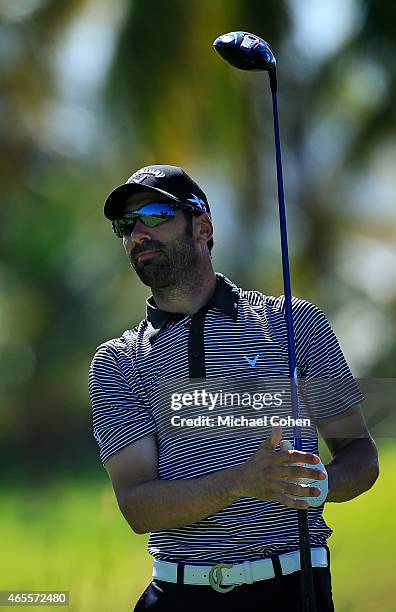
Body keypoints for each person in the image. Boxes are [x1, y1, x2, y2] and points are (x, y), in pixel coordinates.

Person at [89, 164, 379, 612]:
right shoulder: (117, 362)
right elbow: (138, 506)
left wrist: (320, 484)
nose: (138, 235)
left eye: (153, 215)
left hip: (293, 587)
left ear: (202, 227)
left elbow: (360, 454)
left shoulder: (295, 324)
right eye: (126, 226)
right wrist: (245, 481)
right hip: (180, 595)